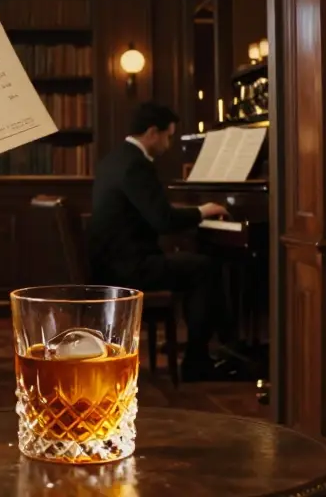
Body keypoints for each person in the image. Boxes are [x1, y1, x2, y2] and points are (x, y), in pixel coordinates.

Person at [86, 102, 232, 381]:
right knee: (205, 269)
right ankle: (198, 360)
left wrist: (184, 212)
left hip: (111, 261)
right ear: (153, 132)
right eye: (168, 136)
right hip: (128, 268)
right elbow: (163, 220)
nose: (168, 143)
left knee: (195, 264)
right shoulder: (137, 165)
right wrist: (202, 211)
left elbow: (147, 210)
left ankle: (216, 342)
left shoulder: (114, 159)